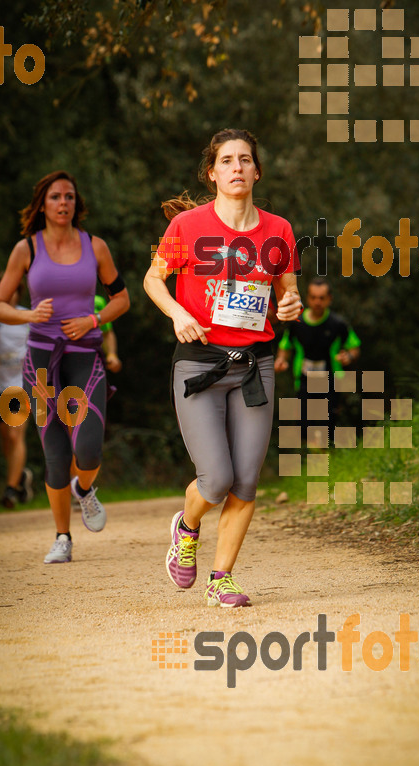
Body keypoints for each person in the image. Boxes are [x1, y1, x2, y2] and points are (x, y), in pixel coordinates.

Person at [144, 128, 302, 608]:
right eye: (227, 160)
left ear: (256, 171)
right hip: (199, 365)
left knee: (247, 480)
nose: (237, 167)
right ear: (212, 173)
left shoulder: (278, 230)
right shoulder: (187, 228)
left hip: (255, 366)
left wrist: (291, 305)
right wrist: (178, 312)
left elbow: (286, 291)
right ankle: (187, 527)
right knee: (215, 479)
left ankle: (222, 577)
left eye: (245, 160)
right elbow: (154, 280)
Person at [0, 170, 130, 563]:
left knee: (87, 449)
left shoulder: (95, 246)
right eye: (55, 197)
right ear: (43, 204)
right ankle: (62, 537)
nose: (63, 203)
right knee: (53, 452)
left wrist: (94, 320)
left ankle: (84, 490)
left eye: (69, 196)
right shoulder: (26, 250)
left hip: (85, 356)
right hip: (41, 361)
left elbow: (121, 299)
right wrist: (30, 315)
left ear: (76, 203)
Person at [274, 277, 360, 442]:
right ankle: (312, 457)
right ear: (308, 298)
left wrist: (348, 356)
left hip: (331, 381)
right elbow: (285, 347)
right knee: (305, 426)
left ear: (329, 299)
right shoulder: (297, 323)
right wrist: (281, 360)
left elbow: (354, 347)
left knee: (327, 424)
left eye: (321, 298)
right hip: (304, 381)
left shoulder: (338, 324)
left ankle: (327, 457)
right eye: (313, 297)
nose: (317, 302)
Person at [0, 278, 33, 508]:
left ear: (19, 293)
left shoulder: (28, 317)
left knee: (15, 436)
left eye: (14, 291)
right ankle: (21, 476)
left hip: (22, 385)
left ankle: (10, 490)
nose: (10, 295)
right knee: (6, 441)